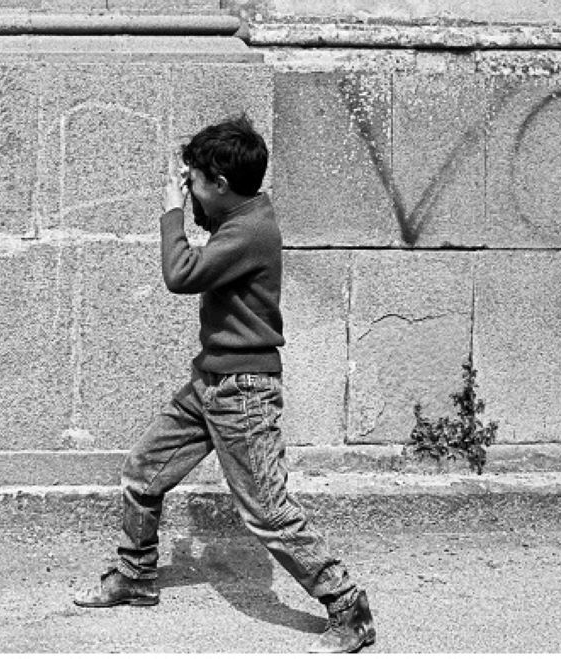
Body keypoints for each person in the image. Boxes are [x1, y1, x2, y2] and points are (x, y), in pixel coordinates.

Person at [72, 115, 376, 653]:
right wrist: (189, 192)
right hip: (210, 383)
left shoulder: (250, 231)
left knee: (268, 511)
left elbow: (181, 275)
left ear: (221, 184)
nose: (188, 187)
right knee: (143, 472)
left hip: (244, 392)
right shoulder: (241, 213)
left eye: (194, 180)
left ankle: (348, 607)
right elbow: (206, 236)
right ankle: (136, 576)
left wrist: (170, 210)